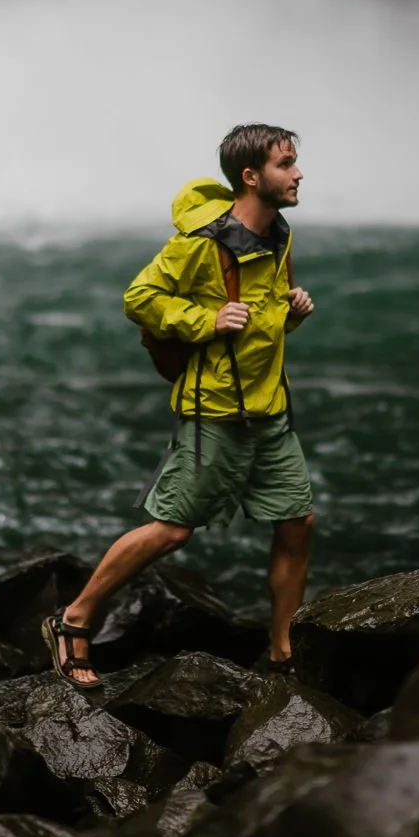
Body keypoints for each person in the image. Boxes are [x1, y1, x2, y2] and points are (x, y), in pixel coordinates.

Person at [42, 122, 316, 689]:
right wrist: (204, 320)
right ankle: (72, 621)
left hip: (270, 410)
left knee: (297, 523)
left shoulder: (278, 235)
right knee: (171, 530)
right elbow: (139, 297)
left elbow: (256, 318)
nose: (298, 173)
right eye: (285, 164)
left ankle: (283, 652)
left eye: (294, 163)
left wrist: (290, 311)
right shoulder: (201, 242)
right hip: (213, 411)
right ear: (251, 176)